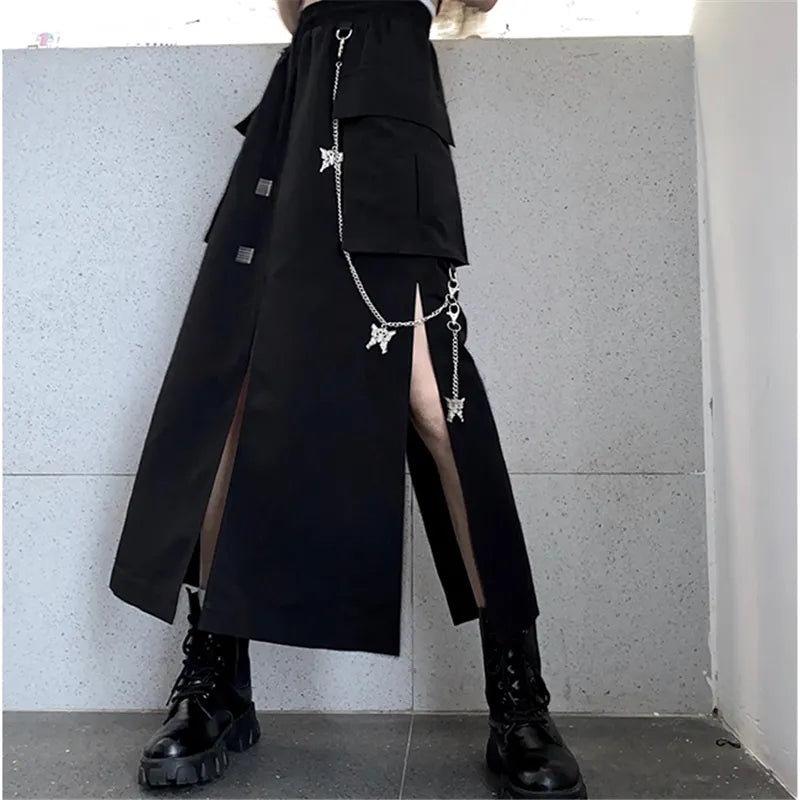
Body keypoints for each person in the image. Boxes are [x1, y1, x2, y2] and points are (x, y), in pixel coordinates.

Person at [108, 0, 587, 797]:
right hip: (300, 103)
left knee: (436, 400)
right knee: (236, 386)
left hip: (392, 100)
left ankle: (519, 698)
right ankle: (217, 681)